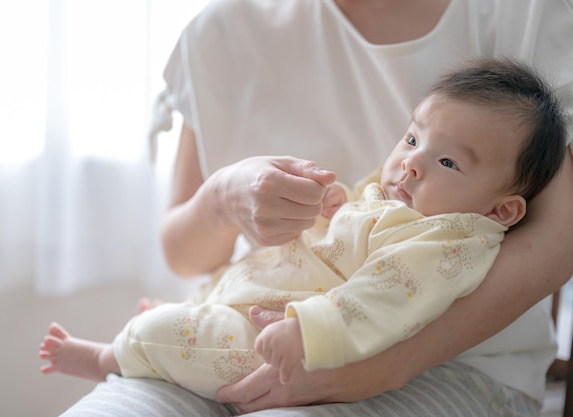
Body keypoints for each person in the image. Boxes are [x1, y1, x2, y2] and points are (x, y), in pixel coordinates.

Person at [59, 1, 573, 416]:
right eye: (410, 139)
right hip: (249, 327)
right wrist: (223, 198)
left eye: (444, 160)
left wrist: (379, 364)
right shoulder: (219, 31)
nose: (411, 166)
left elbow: (558, 237)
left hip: (458, 362)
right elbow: (182, 254)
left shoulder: (524, 15)